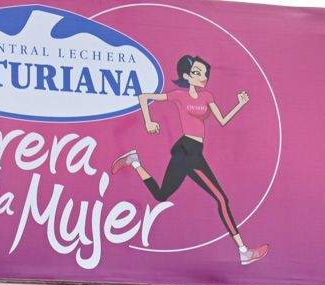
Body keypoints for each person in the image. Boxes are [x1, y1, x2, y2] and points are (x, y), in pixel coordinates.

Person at [111, 55, 268, 266]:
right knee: (221, 199)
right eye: (196, 72)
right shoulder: (179, 96)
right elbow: (144, 97)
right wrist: (149, 121)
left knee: (161, 195)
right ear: (186, 76)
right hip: (187, 149)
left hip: (193, 151)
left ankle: (135, 161)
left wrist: (239, 104)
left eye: (204, 73)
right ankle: (243, 251)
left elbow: (222, 121)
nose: (202, 77)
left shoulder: (207, 96)